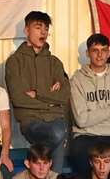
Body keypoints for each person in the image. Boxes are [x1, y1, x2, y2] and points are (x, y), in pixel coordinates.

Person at [6, 10, 72, 170]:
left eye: (46, 28)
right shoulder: (15, 62)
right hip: (31, 121)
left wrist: (38, 94)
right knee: (59, 134)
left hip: (56, 119)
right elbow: (18, 99)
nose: (43, 32)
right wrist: (51, 101)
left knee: (59, 131)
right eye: (38, 27)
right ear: (26, 30)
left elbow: (64, 95)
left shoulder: (55, 62)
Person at [69, 32, 110, 173]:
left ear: (108, 53)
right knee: (83, 169)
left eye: (103, 50)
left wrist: (92, 119)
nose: (100, 55)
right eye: (95, 51)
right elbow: (81, 120)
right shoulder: (77, 80)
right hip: (85, 137)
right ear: (87, 53)